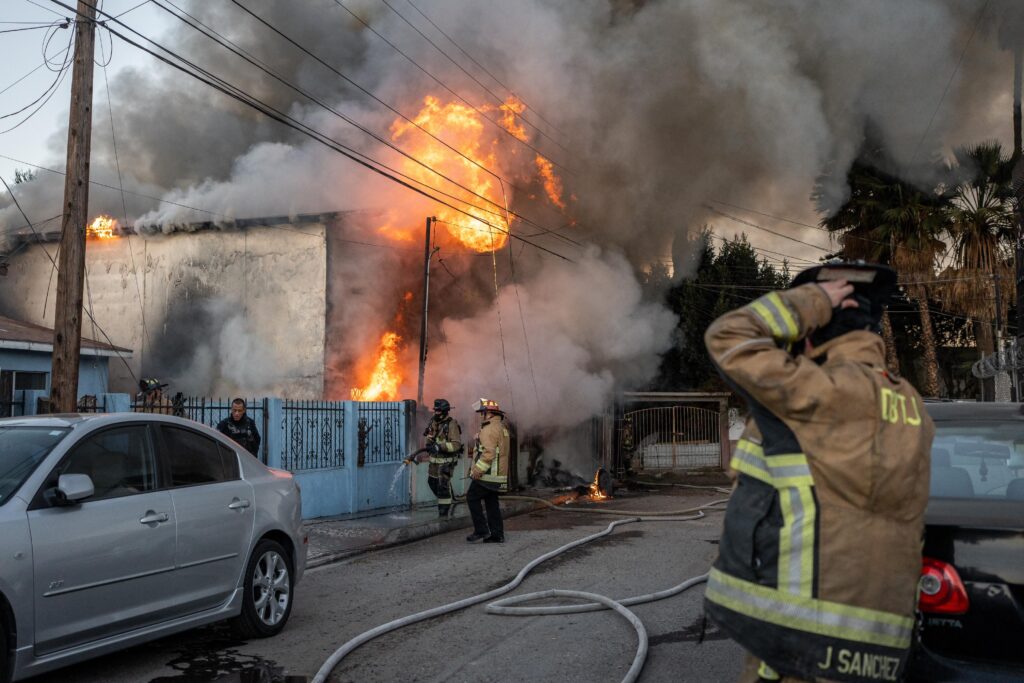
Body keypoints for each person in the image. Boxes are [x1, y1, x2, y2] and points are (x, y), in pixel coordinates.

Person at [702, 261, 933, 683]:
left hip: (800, 646)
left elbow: (727, 336)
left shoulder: (818, 392)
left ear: (809, 337)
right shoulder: (913, 406)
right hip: (880, 650)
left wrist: (811, 302)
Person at [405, 398, 463, 517]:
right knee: (432, 483)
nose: (436, 413)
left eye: (438, 411)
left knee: (442, 487)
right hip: (434, 462)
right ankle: (447, 498)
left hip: (446, 463)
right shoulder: (433, 422)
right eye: (435, 410)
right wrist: (429, 442)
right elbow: (430, 436)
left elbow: (456, 444)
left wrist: (439, 447)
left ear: (445, 411)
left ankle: (444, 513)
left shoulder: (451, 425)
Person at [465, 398, 510, 544]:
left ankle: (481, 530)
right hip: (498, 475)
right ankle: (497, 534)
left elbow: (488, 454)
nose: (480, 416)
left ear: (489, 414)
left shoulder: (489, 429)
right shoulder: (501, 427)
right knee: (491, 503)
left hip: (488, 475)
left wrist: (477, 471)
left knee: (472, 497)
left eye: (482, 413)